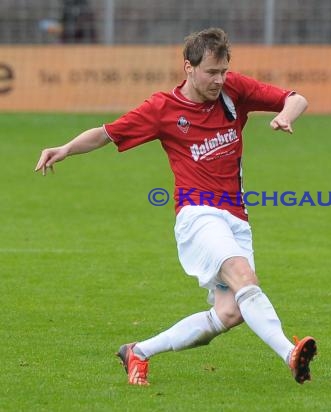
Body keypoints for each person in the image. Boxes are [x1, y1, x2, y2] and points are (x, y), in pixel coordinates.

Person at [35, 28, 316, 385]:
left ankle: (138, 351)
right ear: (189, 67)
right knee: (245, 279)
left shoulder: (234, 90)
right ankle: (289, 354)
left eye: (224, 71)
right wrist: (64, 149)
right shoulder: (163, 109)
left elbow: (296, 98)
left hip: (236, 217)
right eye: (211, 72)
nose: (219, 80)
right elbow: (107, 133)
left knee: (230, 313)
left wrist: (287, 115)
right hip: (198, 215)